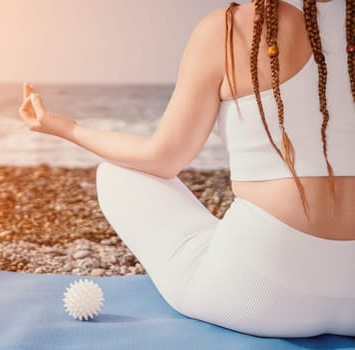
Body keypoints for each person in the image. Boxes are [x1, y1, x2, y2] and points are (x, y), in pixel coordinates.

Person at [18, 0, 355, 337]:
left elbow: (162, 159)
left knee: (116, 173)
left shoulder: (228, 28)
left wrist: (64, 127)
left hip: (258, 294)